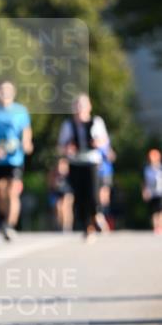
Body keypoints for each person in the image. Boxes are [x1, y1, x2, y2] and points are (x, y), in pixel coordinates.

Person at [0, 81, 33, 241]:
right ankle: (3, 218)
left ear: (13, 93)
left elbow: (26, 131)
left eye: (7, 90)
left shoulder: (21, 111)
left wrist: (26, 143)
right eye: (1, 90)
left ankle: (10, 225)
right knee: (0, 192)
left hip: (14, 159)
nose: (4, 93)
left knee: (12, 191)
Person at [58, 94, 110, 240]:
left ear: (89, 107)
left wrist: (98, 143)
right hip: (75, 163)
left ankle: (95, 217)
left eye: (82, 105)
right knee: (79, 197)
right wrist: (67, 149)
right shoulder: (68, 125)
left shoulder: (97, 122)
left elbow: (104, 141)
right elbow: (60, 146)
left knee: (93, 195)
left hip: (92, 162)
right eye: (77, 105)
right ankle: (88, 226)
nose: (80, 108)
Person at [47, 157, 74, 232]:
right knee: (58, 208)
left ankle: (67, 226)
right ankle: (60, 225)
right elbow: (50, 185)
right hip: (57, 192)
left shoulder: (70, 173)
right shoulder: (54, 173)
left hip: (68, 191)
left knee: (66, 207)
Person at [142, 149, 162, 234]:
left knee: (160, 210)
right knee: (154, 211)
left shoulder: (160, 168)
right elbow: (144, 182)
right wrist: (144, 191)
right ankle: (156, 227)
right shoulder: (147, 169)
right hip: (152, 193)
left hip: (160, 192)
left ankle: (160, 226)